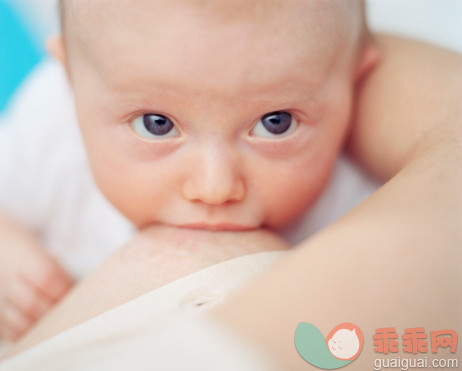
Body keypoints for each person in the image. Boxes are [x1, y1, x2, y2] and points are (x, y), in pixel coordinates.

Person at [0, 2, 460, 365]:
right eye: (157, 124)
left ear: (352, 84)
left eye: (275, 123)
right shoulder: (50, 130)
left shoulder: (359, 199)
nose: (215, 186)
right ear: (72, 83)